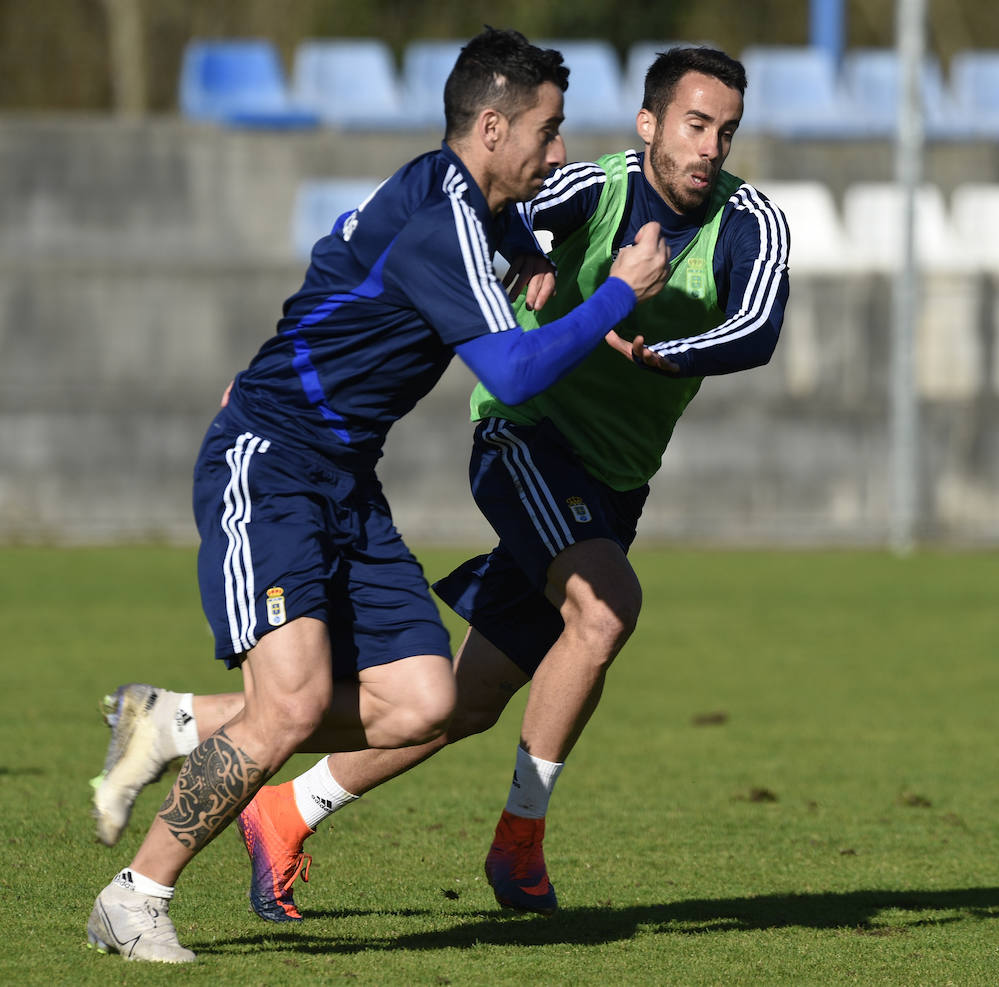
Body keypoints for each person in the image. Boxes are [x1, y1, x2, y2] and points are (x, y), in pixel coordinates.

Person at [92, 44, 788, 928]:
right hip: (309, 460)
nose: (561, 150)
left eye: (727, 130)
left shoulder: (472, 200)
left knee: (439, 701)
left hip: (367, 475)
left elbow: (370, 262)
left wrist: (529, 253)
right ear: (495, 129)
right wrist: (615, 295)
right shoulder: (459, 216)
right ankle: (137, 897)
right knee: (598, 610)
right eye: (548, 130)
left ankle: (190, 730)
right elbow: (511, 363)